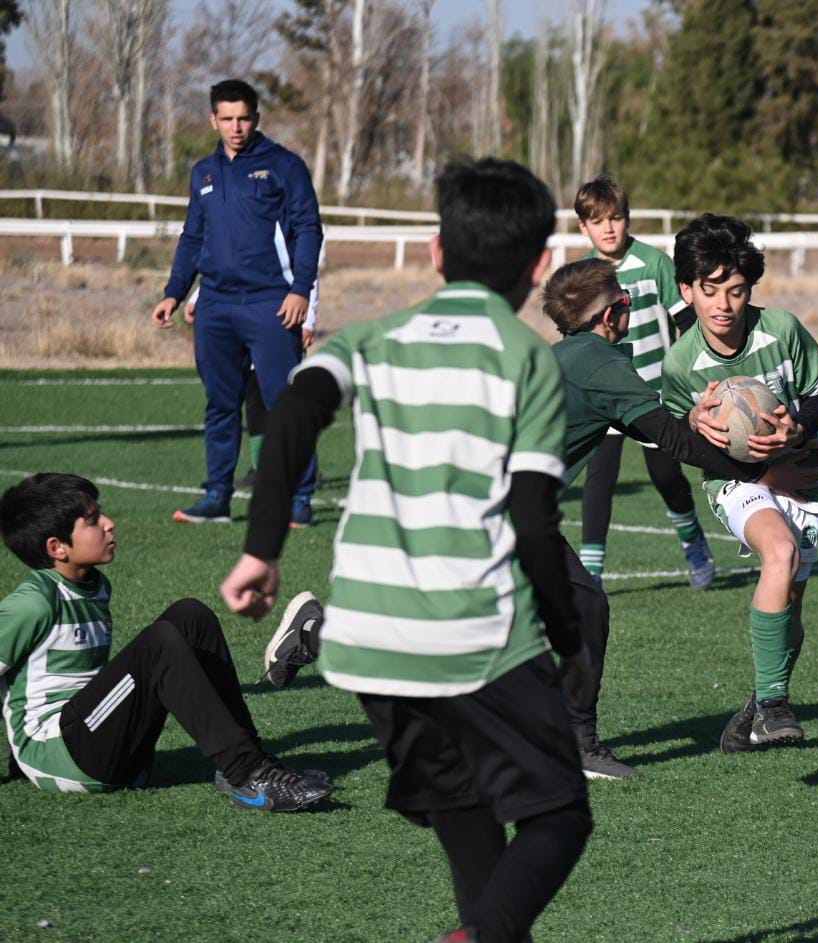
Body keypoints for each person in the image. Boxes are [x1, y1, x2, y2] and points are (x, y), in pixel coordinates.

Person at [219, 158, 594, 943]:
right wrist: (566, 638)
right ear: (537, 266)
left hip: (368, 640)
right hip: (471, 631)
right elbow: (532, 519)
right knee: (559, 813)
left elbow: (293, 413)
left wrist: (261, 549)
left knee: (467, 812)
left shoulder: (373, 338)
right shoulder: (525, 356)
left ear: (435, 250)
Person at [540, 258, 818, 776]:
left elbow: (654, 426)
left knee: (572, 609)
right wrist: (761, 471)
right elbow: (670, 440)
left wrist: (693, 417)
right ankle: (572, 743)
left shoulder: (568, 356)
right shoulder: (600, 365)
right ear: (612, 314)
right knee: (577, 610)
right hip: (499, 511)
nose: (630, 305)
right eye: (625, 299)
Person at [0, 473, 331, 811]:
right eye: (93, 520)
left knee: (191, 616)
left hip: (97, 739)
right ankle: (248, 773)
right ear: (57, 547)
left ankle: (245, 758)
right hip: (60, 755)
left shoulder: (94, 586)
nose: (109, 524)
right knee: (158, 644)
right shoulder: (32, 603)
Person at [661, 214, 818, 753]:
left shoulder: (782, 330)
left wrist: (797, 427)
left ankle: (757, 711)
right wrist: (694, 421)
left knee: (790, 610)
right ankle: (774, 706)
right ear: (687, 290)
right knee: (779, 552)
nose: (723, 305)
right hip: (734, 482)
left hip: (804, 473)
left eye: (736, 290)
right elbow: (682, 442)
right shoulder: (681, 364)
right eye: (709, 290)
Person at [151, 78, 322, 528]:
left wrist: (301, 290)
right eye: (227, 119)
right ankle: (218, 496)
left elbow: (308, 229)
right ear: (213, 120)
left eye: (243, 118)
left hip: (270, 303)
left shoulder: (284, 165)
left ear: (256, 118)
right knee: (220, 403)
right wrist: (174, 292)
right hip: (216, 306)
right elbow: (193, 236)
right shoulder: (203, 173)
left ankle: (300, 498)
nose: (236, 127)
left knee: (285, 402)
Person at [573, 176, 715, 589]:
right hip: (605, 396)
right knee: (599, 480)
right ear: (583, 227)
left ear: (628, 219)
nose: (609, 228)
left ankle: (692, 539)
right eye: (598, 221)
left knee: (666, 476)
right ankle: (591, 573)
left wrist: (694, 372)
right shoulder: (583, 274)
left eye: (616, 217)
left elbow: (686, 322)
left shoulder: (654, 263)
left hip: (654, 394)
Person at [184, 281, 320, 492]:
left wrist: (308, 320)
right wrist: (197, 296)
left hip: (281, 317)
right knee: (252, 393)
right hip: (243, 314)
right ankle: (261, 467)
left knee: (284, 400)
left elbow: (308, 275)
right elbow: (229, 268)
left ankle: (303, 472)